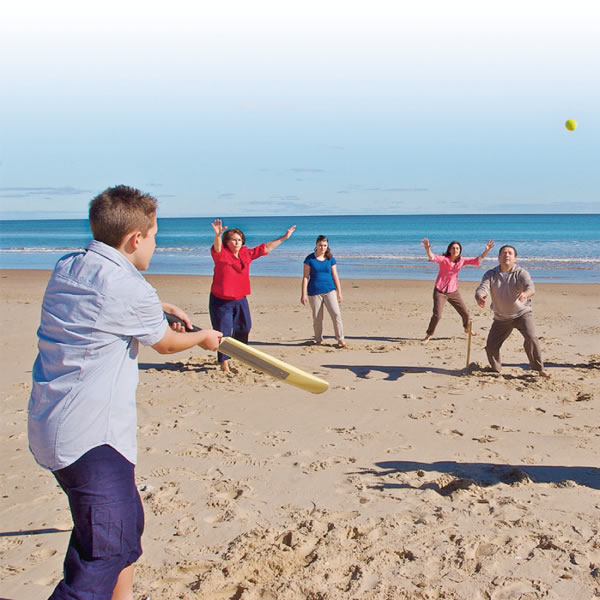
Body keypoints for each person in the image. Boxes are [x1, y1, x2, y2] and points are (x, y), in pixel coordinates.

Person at [28, 186, 222, 600]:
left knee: (126, 527)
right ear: (135, 238)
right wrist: (204, 337)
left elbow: (109, 301)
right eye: (154, 236)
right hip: (89, 438)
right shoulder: (127, 288)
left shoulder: (69, 266)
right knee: (104, 551)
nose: (156, 245)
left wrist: (159, 306)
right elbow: (166, 344)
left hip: (53, 424)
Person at [210, 218, 296, 372]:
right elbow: (217, 247)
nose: (237, 242)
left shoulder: (246, 253)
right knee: (224, 331)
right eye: (233, 240)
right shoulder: (221, 254)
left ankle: (239, 354)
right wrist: (217, 235)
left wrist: (284, 237)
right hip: (221, 301)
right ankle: (223, 362)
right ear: (226, 242)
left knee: (245, 327)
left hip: (240, 299)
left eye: (239, 240)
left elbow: (266, 248)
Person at [475, 244, 551, 378]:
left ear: (515, 258)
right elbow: (483, 287)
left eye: (510, 253)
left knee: (531, 338)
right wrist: (480, 295)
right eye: (504, 253)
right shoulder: (490, 274)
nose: (507, 255)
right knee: (491, 346)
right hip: (501, 318)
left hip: (522, 314)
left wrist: (525, 294)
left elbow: (530, 287)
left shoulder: (521, 273)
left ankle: (540, 369)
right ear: (498, 257)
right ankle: (496, 369)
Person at [421, 238, 494, 342]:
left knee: (465, 313)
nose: (455, 250)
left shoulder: (461, 260)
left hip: (453, 291)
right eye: (453, 248)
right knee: (437, 315)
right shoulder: (444, 259)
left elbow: (478, 260)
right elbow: (432, 257)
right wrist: (427, 248)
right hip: (440, 291)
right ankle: (428, 335)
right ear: (449, 250)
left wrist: (487, 250)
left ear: (460, 250)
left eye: (457, 248)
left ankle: (467, 328)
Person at [301, 235, 346, 348]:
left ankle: (340, 339)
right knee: (317, 318)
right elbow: (305, 277)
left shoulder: (330, 258)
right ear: (316, 245)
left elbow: (335, 276)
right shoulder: (309, 259)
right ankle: (318, 339)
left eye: (325, 245)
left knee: (336, 314)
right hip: (314, 292)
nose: (322, 248)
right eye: (320, 245)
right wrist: (303, 294)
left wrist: (339, 292)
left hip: (330, 290)